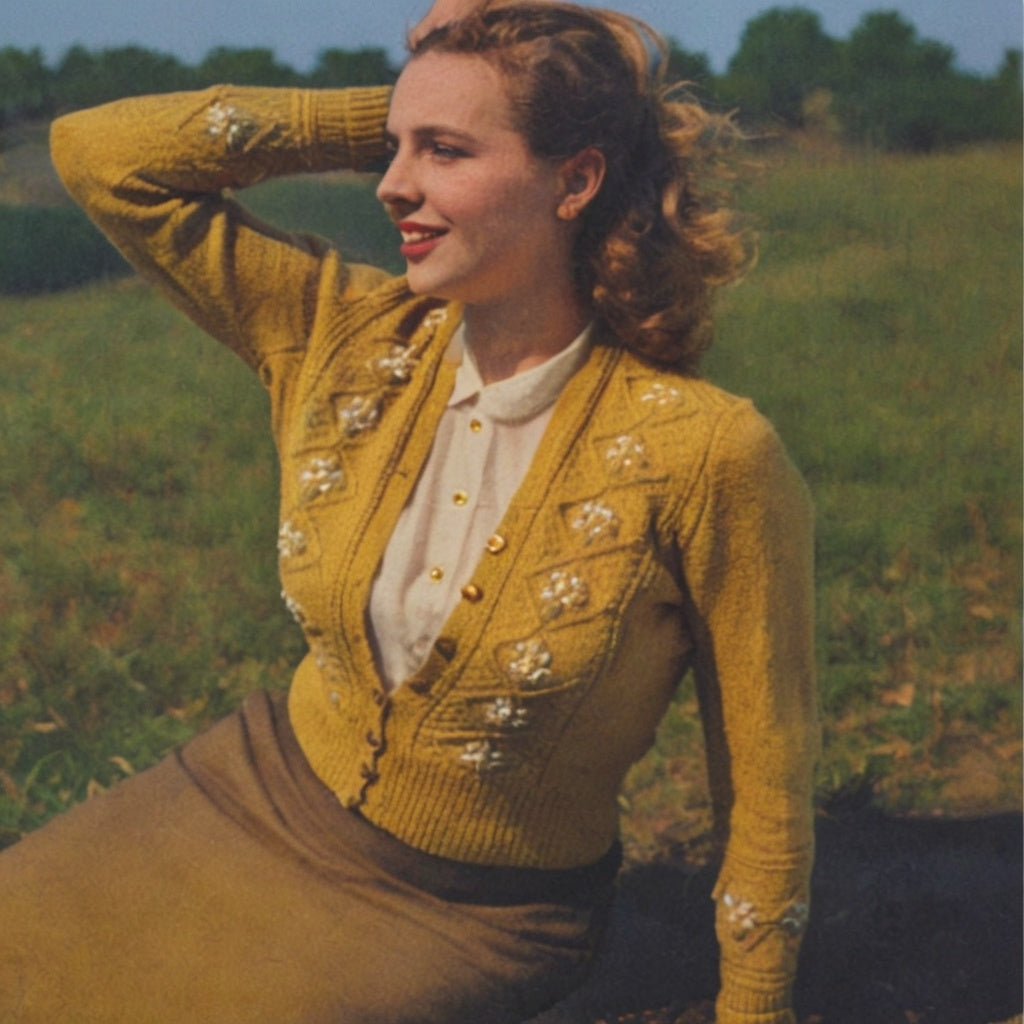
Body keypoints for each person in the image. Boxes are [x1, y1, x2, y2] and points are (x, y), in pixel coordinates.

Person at [0, 1, 818, 1021]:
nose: (392, 184)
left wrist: (754, 1007)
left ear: (575, 180)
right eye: (393, 147)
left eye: (445, 151)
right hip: (256, 790)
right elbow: (99, 156)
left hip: (471, 912)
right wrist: (417, 95)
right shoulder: (338, 330)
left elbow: (767, 777)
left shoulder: (707, 454)